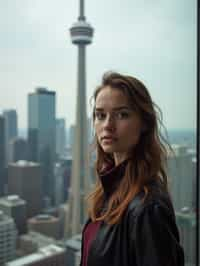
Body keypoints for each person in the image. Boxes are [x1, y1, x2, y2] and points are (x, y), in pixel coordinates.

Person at [80, 72, 185, 266]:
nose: (107, 125)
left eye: (122, 114)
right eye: (100, 115)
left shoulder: (148, 207)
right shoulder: (109, 191)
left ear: (144, 123)